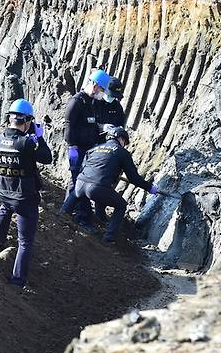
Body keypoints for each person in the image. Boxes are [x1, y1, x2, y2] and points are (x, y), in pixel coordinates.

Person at [0, 99, 52, 286]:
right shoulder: (26, 143)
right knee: (25, 242)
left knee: (5, 209)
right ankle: (18, 280)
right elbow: (47, 158)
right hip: (25, 197)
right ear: (27, 121)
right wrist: (39, 138)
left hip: (5, 191)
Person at [75, 126, 158, 245]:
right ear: (121, 139)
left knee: (99, 193)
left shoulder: (94, 149)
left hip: (79, 185)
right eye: (125, 142)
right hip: (96, 188)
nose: (124, 144)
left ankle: (83, 220)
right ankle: (109, 237)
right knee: (121, 205)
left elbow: (83, 168)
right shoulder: (122, 153)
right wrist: (149, 187)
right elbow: (133, 178)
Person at [60, 69, 111, 233]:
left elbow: (90, 125)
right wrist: (73, 149)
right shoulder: (77, 101)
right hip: (77, 150)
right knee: (82, 182)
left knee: (76, 182)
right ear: (95, 86)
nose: (102, 94)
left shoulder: (91, 103)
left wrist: (102, 128)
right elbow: (68, 127)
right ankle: (83, 218)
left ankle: (66, 211)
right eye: (102, 90)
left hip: (88, 149)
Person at [94, 76, 127, 222]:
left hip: (109, 148)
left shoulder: (117, 107)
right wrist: (102, 127)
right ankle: (78, 211)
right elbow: (87, 124)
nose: (113, 99)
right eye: (111, 95)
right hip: (93, 145)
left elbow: (121, 128)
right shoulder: (94, 102)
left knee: (106, 180)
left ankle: (99, 213)